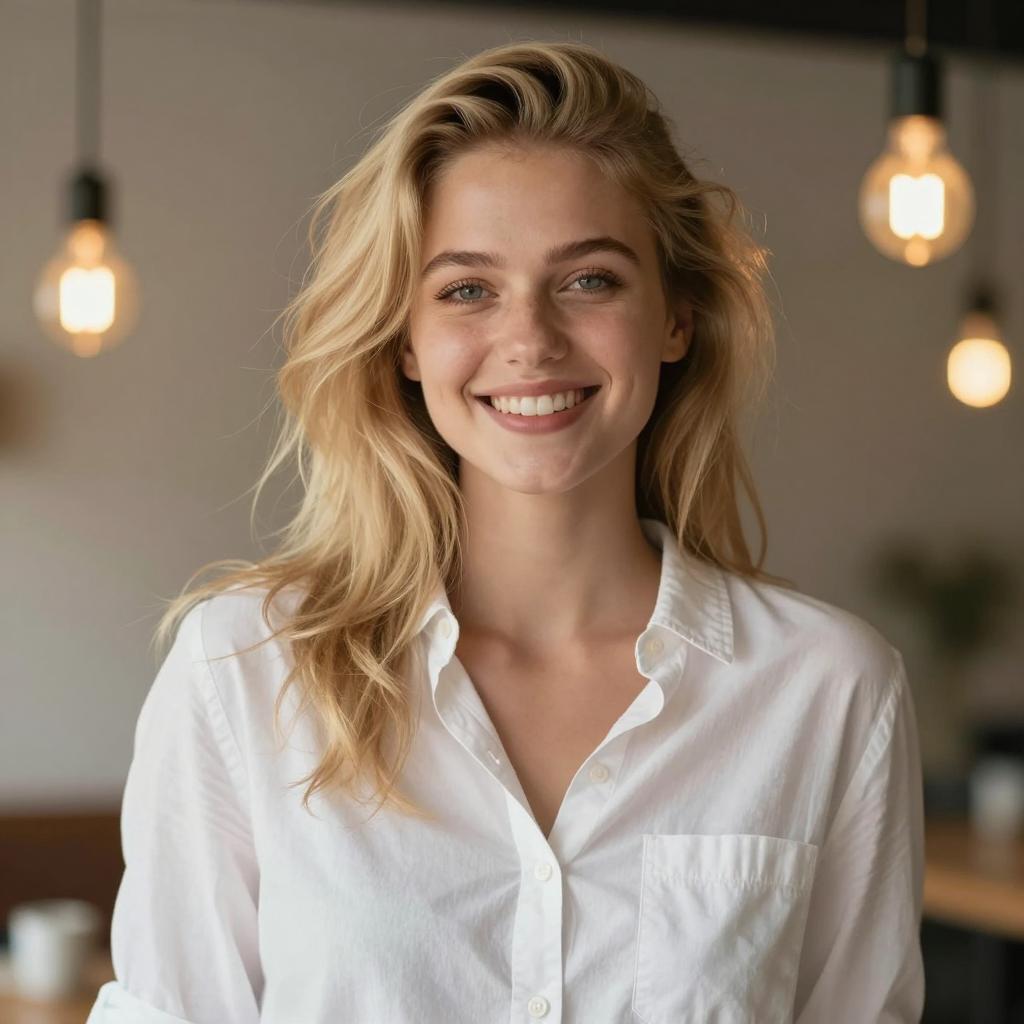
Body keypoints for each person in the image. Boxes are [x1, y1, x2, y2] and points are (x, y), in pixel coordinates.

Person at [86, 39, 924, 1024]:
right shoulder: (245, 671)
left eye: (590, 280)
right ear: (404, 337)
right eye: (466, 289)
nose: (528, 339)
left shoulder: (827, 691)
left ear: (675, 318)